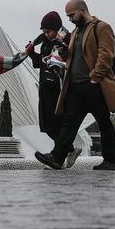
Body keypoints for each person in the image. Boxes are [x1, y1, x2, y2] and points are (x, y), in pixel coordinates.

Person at [34, 0, 115, 170]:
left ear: (82, 10)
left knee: (103, 122)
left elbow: (106, 54)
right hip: (76, 86)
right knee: (69, 123)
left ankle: (111, 161)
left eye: (72, 15)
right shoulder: (76, 31)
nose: (70, 19)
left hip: (94, 85)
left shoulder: (101, 27)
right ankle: (57, 157)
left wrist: (95, 78)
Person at [26, 11, 81, 167]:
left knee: (55, 122)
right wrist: (31, 54)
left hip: (57, 88)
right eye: (44, 32)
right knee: (47, 125)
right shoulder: (45, 43)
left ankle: (63, 152)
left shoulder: (64, 42)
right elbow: (41, 64)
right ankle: (69, 149)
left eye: (48, 31)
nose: (46, 34)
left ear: (56, 28)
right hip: (45, 87)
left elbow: (60, 63)